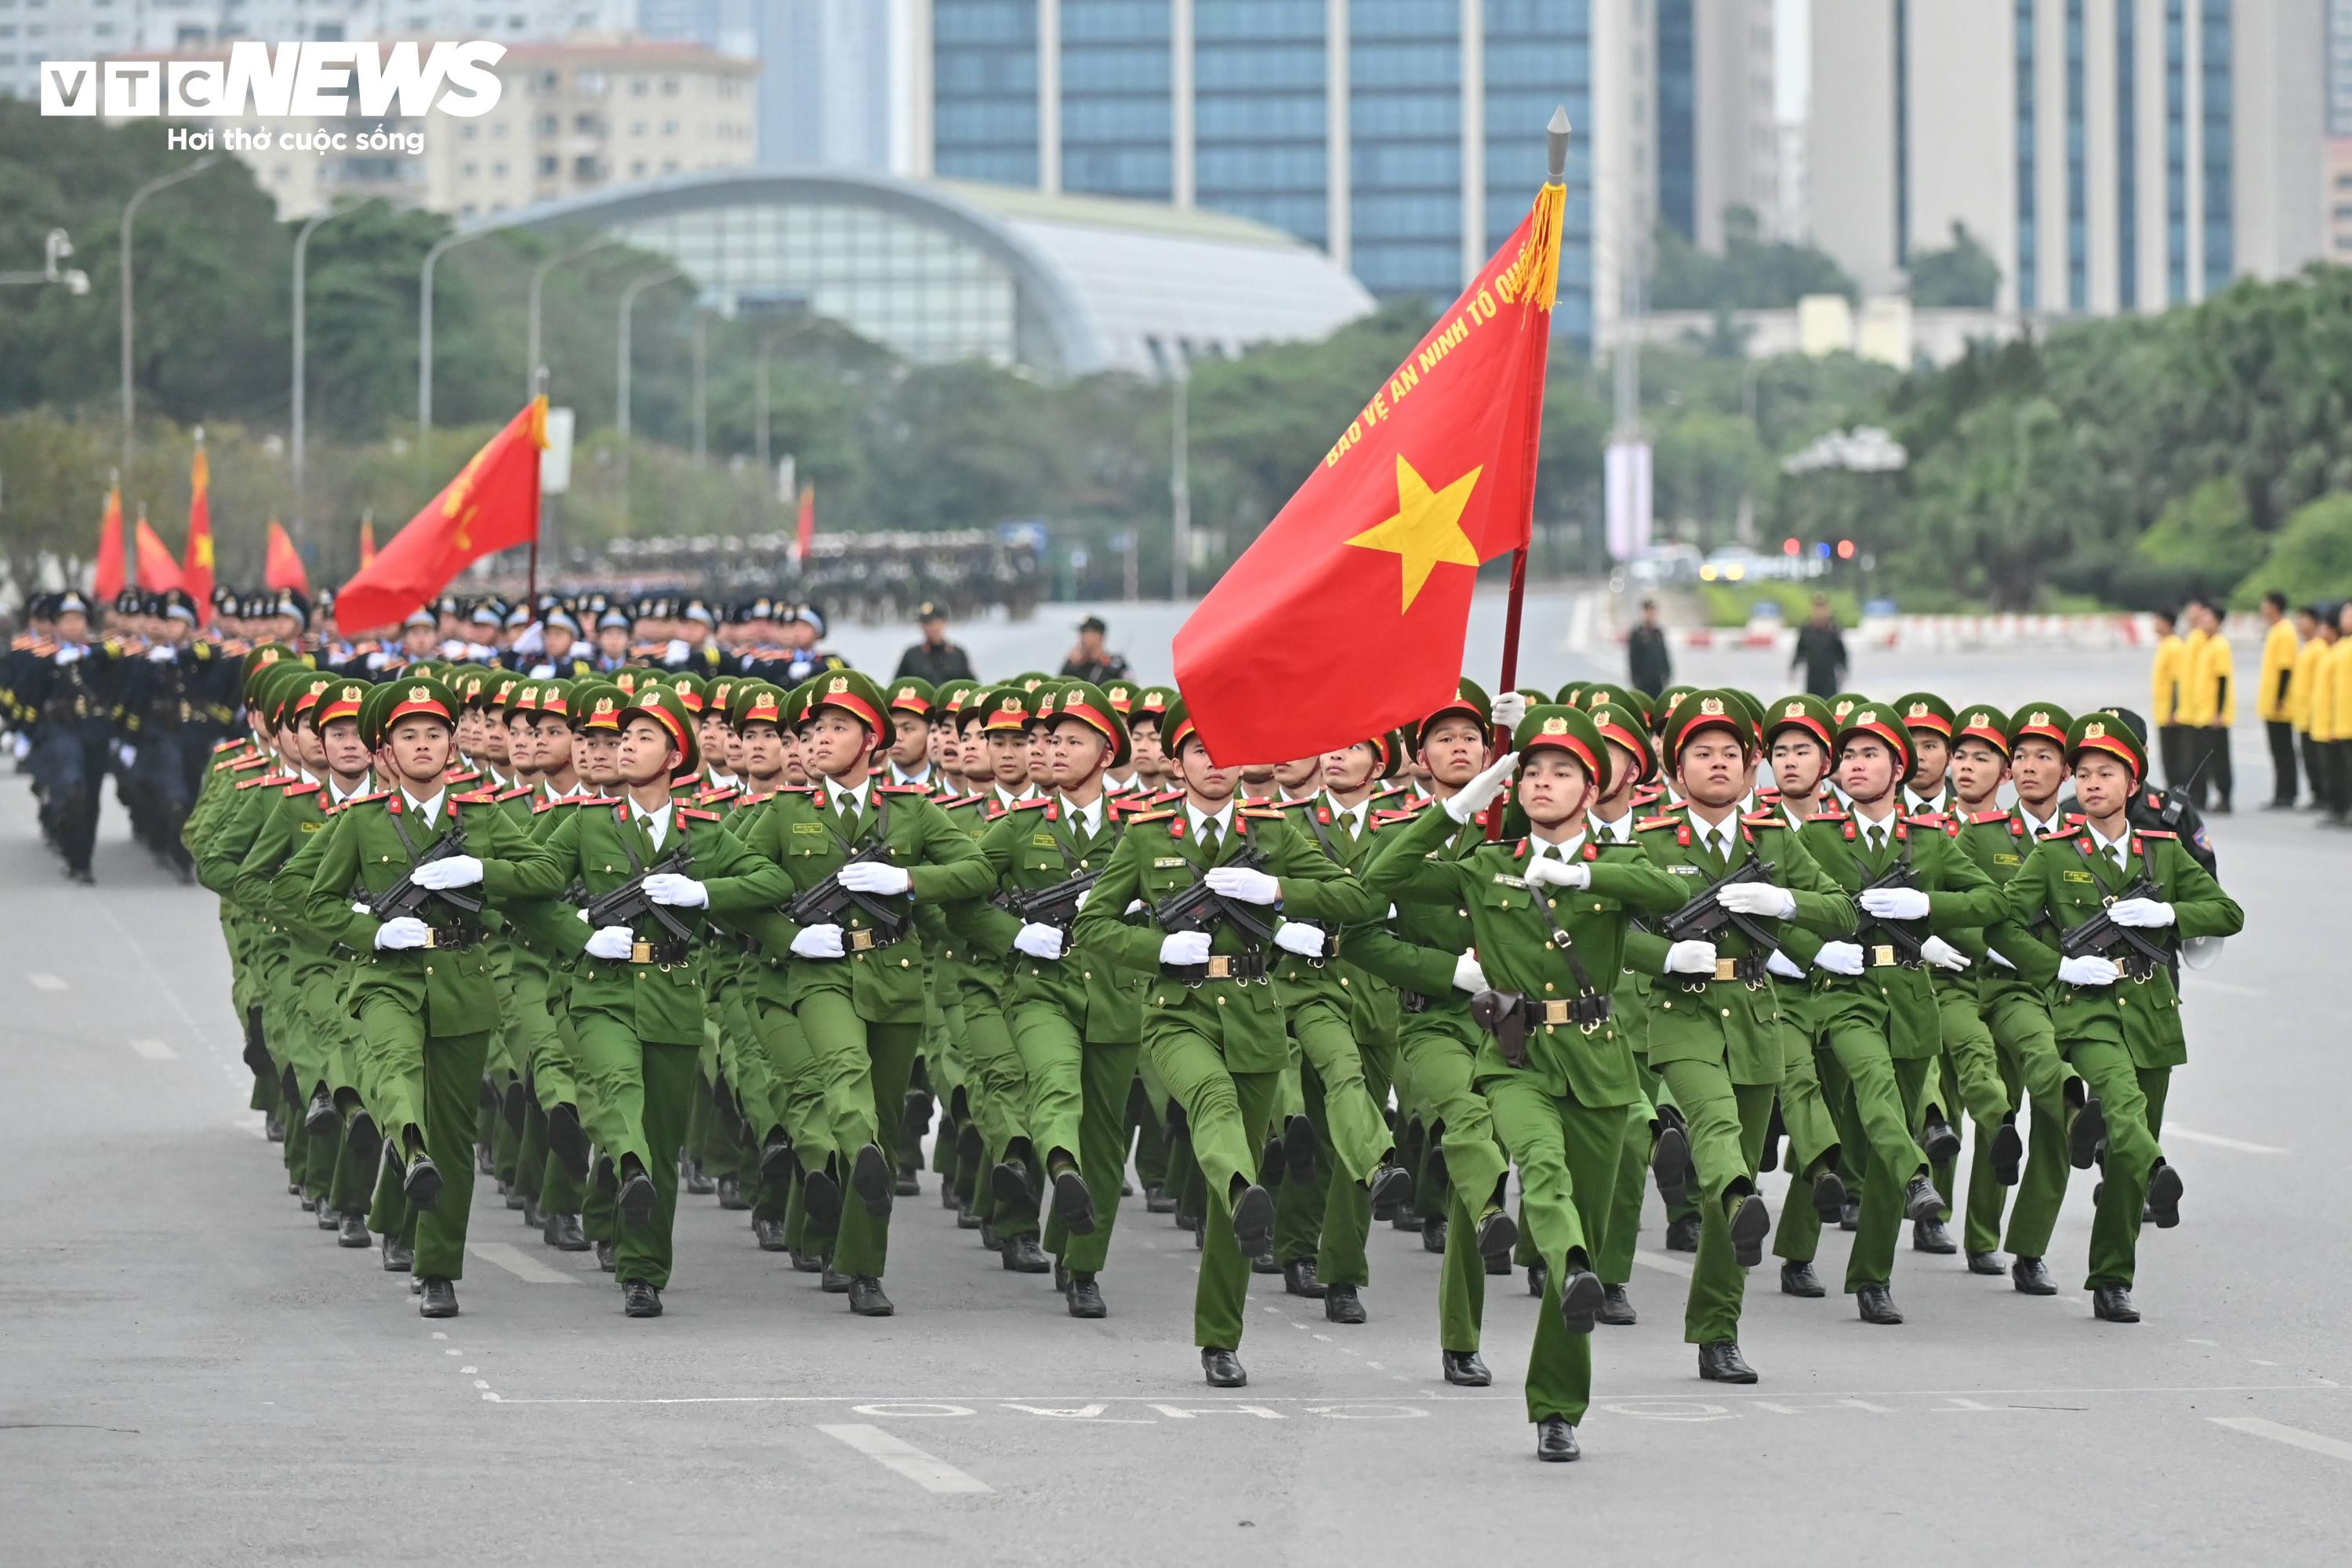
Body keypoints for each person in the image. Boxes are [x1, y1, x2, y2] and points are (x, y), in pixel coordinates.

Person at [1358, 706, 1686, 1462]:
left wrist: (1585, 874)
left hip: (1600, 1062)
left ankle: (1557, 1407)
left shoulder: (1621, 862)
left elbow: (1672, 898)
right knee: (1539, 1167)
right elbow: (1382, 879)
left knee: (1592, 1227)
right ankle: (1567, 1263)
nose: (1542, 782)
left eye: (1562, 771)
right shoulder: (1486, 862)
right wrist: (1456, 809)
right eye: (1531, 771)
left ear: (1591, 786)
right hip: (1514, 1056)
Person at [299, 676, 564, 1319]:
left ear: (452, 747)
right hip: (388, 978)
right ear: (386, 753)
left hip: (461, 980)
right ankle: (407, 1150)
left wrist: (483, 872)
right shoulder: (362, 823)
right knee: (393, 1069)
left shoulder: (482, 815)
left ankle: (437, 1268)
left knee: (454, 1134)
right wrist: (372, 930)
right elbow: (312, 901)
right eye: (408, 736)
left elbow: (547, 875)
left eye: (434, 735)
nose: (422, 746)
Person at [1997, 714, 2243, 1322]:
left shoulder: (2162, 854)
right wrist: (2057, 966)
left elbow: (2227, 913)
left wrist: (2168, 917)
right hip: (2086, 1012)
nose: (2093, 783)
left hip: (2152, 1013)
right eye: (2083, 773)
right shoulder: (2054, 857)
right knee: (2122, 1105)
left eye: (2106, 773)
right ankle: (2159, 1166)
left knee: (2126, 1151)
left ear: (2132, 783)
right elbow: (2003, 922)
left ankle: (2111, 1277)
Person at [2182, 597, 2234, 812]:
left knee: (2219, 759)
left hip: (2214, 715)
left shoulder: (2220, 645)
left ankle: (2224, 797)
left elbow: (2222, 680)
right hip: (2200, 713)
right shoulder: (2203, 643)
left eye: (2208, 617)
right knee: (2199, 758)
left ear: (2218, 621)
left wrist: (2219, 712)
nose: (2203, 621)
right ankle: (2199, 798)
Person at [2256, 591, 2299, 811]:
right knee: (2278, 750)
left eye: (2265, 604)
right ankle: (2281, 792)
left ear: (2274, 606)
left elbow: (2285, 668)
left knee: (2283, 750)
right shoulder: (2276, 630)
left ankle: (2287, 793)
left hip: (2280, 704)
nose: (2262, 608)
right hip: (2273, 704)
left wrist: (2280, 698)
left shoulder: (2285, 632)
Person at [894, 603, 977, 686]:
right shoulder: (912, 655)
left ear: (944, 623)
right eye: (924, 623)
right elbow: (896, 688)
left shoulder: (958, 654)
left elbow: (973, 688)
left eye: (932, 623)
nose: (928, 628)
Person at [1789, 597, 1849, 699]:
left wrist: (1844, 669)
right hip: (1812, 675)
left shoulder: (1833, 630)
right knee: (1812, 703)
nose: (1820, 612)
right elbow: (1799, 651)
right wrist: (1793, 669)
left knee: (1830, 702)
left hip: (1829, 676)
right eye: (1817, 608)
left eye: (1823, 608)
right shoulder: (1806, 630)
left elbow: (1841, 652)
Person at [1058, 616, 1131, 684]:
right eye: (1081, 633)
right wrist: (1071, 666)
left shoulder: (1115, 665)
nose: (1081, 638)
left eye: (1085, 633)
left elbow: (1131, 689)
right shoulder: (1075, 664)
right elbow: (1061, 688)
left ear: (1099, 636)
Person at [1627, 597, 1673, 696]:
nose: (1650, 614)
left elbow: (1664, 654)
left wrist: (1667, 672)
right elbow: (1633, 658)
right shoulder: (1637, 633)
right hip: (1642, 681)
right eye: (1648, 611)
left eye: (1652, 611)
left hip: (1657, 680)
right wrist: (1634, 679)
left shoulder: (1658, 632)